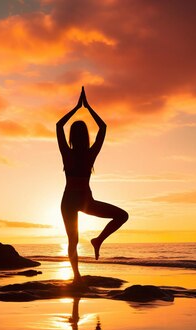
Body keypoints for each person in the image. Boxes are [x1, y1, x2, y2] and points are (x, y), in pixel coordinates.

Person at [56, 87, 128, 286]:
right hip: (80, 201)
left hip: (76, 200)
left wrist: (77, 108)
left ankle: (94, 247)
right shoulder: (87, 154)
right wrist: (87, 108)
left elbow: (59, 125)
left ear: (72, 136)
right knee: (74, 240)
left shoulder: (70, 153)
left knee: (74, 241)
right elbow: (103, 128)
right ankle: (77, 276)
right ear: (84, 136)